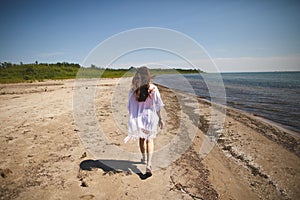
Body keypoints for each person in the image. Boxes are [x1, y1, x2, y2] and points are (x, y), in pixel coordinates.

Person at [125, 66, 164, 176]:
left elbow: (130, 106)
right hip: (150, 118)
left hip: (139, 118)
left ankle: (143, 157)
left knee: (142, 139)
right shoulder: (153, 89)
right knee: (149, 140)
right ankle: (149, 164)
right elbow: (158, 105)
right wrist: (160, 118)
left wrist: (132, 118)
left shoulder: (134, 90)